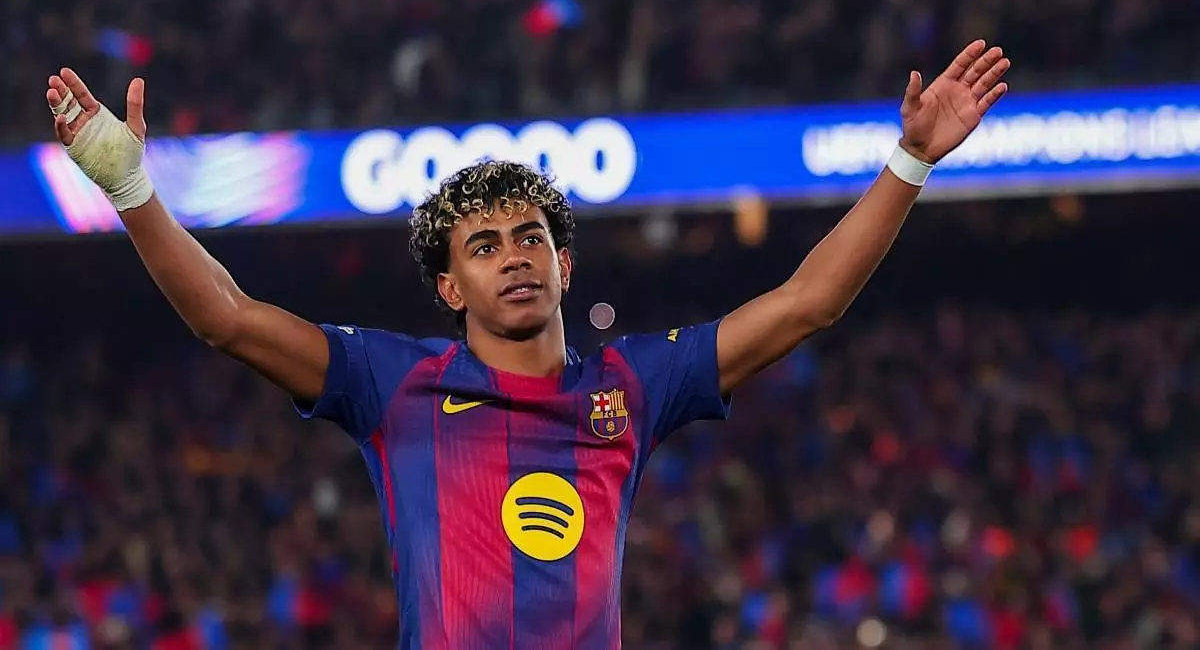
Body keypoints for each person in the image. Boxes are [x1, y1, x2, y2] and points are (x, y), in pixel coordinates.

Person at [42, 39, 1009, 649]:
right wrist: (132, 190)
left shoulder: (633, 385)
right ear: (449, 286)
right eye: (485, 245)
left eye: (531, 238)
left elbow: (807, 303)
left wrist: (910, 159)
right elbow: (226, 315)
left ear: (564, 265)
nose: (514, 256)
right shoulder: (392, 382)